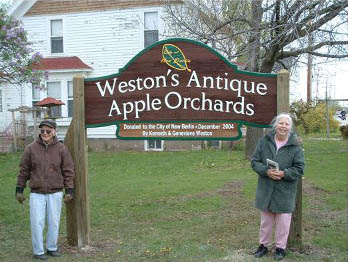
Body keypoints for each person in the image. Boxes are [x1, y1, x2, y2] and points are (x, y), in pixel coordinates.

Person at [15, 119, 74, 260]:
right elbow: (24, 170)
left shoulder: (61, 149)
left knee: (54, 221)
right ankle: (38, 251)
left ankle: (52, 247)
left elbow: (68, 170)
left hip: (56, 191)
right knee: (37, 222)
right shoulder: (31, 148)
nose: (45, 133)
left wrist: (69, 190)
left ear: (54, 132)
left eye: (48, 131)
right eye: (42, 131)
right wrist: (19, 189)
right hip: (37, 192)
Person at [251, 113, 305, 260]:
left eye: (287, 124)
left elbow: (300, 168)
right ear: (275, 125)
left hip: (285, 190)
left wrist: (283, 173)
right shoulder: (264, 141)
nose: (283, 126)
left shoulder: (295, 145)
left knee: (283, 221)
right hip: (266, 188)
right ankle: (263, 246)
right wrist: (266, 171)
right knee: (266, 222)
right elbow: (254, 162)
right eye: (281, 123)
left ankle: (281, 248)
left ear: (290, 128)